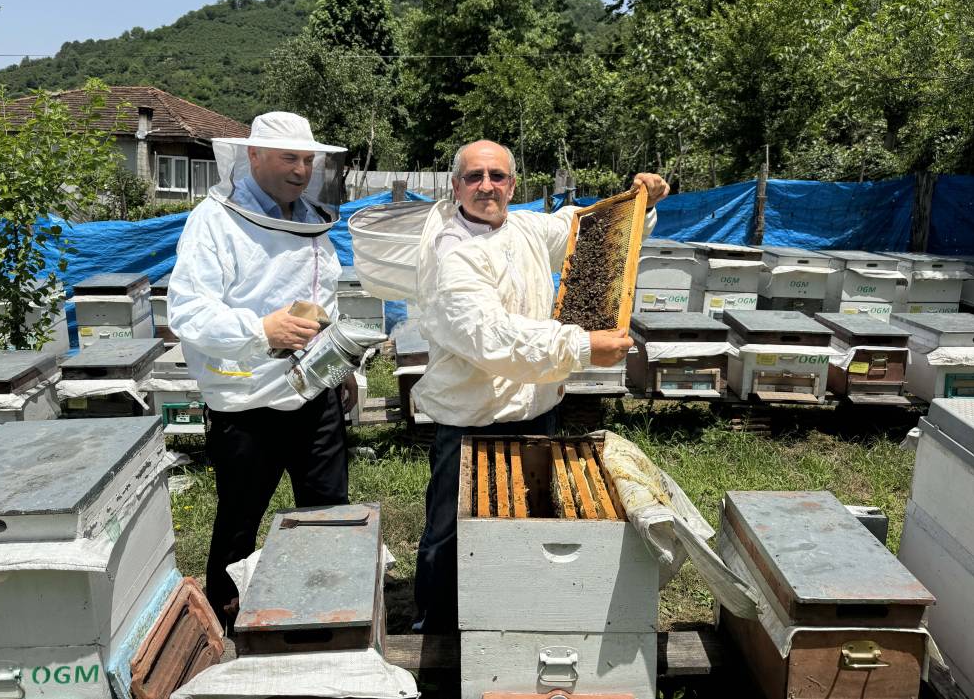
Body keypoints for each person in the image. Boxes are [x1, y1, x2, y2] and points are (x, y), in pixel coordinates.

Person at [411, 139, 670, 632]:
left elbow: (588, 234)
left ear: (513, 184)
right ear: (455, 186)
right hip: (470, 423)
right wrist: (580, 347)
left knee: (528, 521)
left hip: (537, 410)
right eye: (474, 176)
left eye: (498, 176)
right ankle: (436, 629)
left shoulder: (525, 226)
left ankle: (514, 614)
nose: (487, 186)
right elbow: (491, 336)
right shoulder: (454, 253)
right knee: (448, 534)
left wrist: (641, 202)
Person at [167, 111, 357, 629]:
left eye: (307, 159)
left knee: (328, 512)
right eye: (288, 158)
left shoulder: (312, 218)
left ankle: (326, 607)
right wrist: (259, 330)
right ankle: (227, 626)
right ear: (253, 156)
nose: (300, 170)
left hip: (314, 396)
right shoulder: (214, 222)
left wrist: (340, 368)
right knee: (238, 523)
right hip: (246, 402)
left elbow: (326, 300)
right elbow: (187, 311)